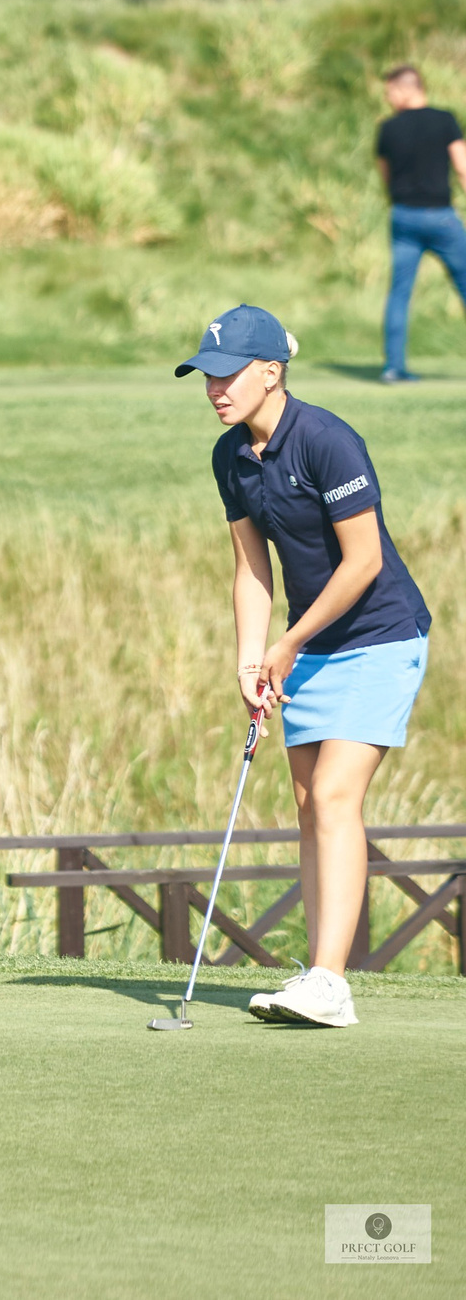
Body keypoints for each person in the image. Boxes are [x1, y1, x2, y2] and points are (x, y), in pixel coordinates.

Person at [179, 305, 430, 1027]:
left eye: (226, 375)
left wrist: (287, 643)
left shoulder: (326, 439)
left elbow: (364, 561)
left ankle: (330, 981)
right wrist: (248, 660)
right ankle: (320, 975)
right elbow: (251, 568)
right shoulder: (231, 455)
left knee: (334, 795)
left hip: (381, 636)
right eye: (206, 377)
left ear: (271, 372)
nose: (214, 389)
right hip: (310, 646)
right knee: (308, 808)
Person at [372, 64, 466, 383]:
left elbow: (385, 174)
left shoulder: (388, 128)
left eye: (389, 92)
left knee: (399, 294)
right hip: (441, 216)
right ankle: (395, 367)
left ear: (404, 89)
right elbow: (462, 167)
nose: (388, 99)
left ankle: (393, 367)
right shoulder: (445, 120)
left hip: (403, 217)